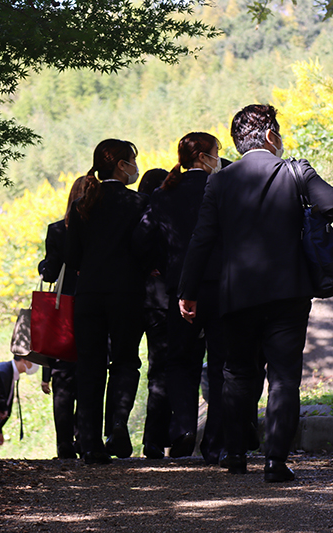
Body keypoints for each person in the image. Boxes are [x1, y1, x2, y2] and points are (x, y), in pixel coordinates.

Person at [178, 104, 333, 482]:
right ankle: (275, 462)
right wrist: (305, 220)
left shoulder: (218, 181)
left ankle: (235, 455)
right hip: (289, 292)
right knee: (284, 377)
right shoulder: (295, 171)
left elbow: (201, 240)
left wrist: (187, 291)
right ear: (271, 136)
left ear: (238, 143)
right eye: (279, 132)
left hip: (237, 294)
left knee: (237, 374)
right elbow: (332, 202)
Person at [135, 133, 232, 462]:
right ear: (205, 157)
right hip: (222, 288)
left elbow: (141, 239)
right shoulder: (223, 187)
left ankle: (183, 428)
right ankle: (216, 443)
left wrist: (160, 266)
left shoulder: (164, 194)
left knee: (179, 362)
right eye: (218, 152)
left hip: (181, 292)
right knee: (221, 363)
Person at [66, 139, 149, 464]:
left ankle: (89, 443)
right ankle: (117, 424)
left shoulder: (83, 205)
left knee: (89, 367)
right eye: (132, 161)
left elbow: (72, 257)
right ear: (121, 166)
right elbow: (146, 248)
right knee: (126, 361)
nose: (135, 168)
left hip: (88, 295)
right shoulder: (139, 203)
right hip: (127, 294)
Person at [38, 176, 89, 459]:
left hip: (62, 311)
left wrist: (44, 264)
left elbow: (49, 272)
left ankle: (63, 444)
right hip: (94, 305)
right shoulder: (99, 229)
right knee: (91, 374)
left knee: (63, 378)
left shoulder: (57, 230)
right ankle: (86, 438)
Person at [135, 168, 171, 459]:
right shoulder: (161, 211)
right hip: (160, 298)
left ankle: (108, 431)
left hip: (128, 298)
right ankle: (154, 439)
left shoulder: (131, 209)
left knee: (121, 365)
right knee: (159, 369)